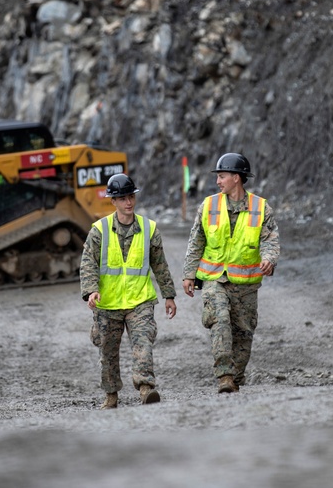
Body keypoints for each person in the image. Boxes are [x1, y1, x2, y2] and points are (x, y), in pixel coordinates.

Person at [182, 153, 280, 393]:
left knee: (244, 332)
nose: (218, 181)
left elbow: (270, 240)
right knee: (220, 320)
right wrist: (189, 274)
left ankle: (235, 377)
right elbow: (196, 241)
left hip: (246, 283)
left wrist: (268, 260)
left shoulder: (261, 207)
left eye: (222, 176)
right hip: (214, 278)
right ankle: (224, 376)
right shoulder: (208, 205)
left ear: (236, 178)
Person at [80, 173, 178, 409]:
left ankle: (146, 388)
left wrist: (169, 295)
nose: (129, 202)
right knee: (108, 352)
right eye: (123, 198)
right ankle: (111, 395)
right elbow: (88, 263)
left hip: (139, 300)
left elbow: (160, 264)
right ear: (113, 201)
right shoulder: (99, 230)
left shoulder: (148, 228)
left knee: (143, 342)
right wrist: (91, 291)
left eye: (131, 196)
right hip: (108, 303)